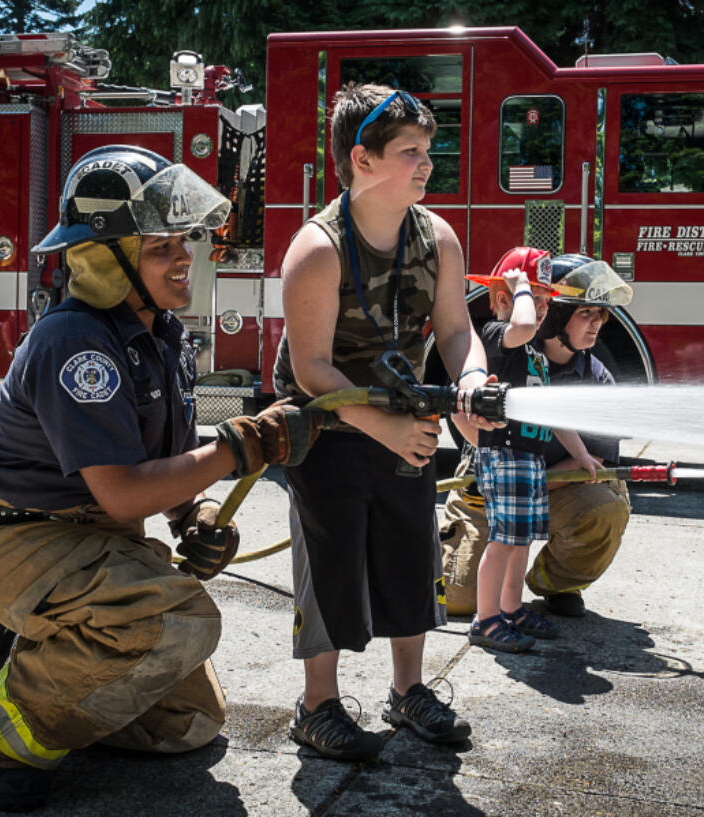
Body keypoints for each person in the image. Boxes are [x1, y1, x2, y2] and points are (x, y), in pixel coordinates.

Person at [0, 144, 324, 811]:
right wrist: (237, 450)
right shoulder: (73, 342)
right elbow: (121, 490)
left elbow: (167, 470)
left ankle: (34, 653)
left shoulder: (164, 335)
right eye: (160, 247)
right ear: (101, 258)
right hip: (17, 536)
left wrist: (198, 515)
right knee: (178, 624)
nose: (185, 257)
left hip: (91, 538)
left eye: (183, 241)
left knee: (190, 723)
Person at [274, 83, 497, 761]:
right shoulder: (316, 248)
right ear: (361, 160)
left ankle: (407, 692)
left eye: (428, 150)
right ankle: (318, 705)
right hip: (326, 421)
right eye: (410, 151)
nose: (426, 164)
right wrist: (384, 427)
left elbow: (458, 330)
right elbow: (312, 369)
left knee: (411, 548)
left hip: (403, 415)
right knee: (331, 553)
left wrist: (472, 378)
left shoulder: (438, 238)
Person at [442, 253, 634, 620]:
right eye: (585, 313)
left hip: (552, 484)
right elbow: (458, 405)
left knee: (603, 506)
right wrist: (496, 475)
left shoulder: (596, 378)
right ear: (555, 315)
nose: (598, 324)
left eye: (601, 314)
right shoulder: (504, 351)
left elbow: (598, 459)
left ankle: (555, 583)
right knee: (457, 601)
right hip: (495, 480)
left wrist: (534, 483)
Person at [464, 247, 601, 653]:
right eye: (534, 300)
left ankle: (510, 607)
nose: (540, 310)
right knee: (503, 539)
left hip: (529, 459)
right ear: (503, 299)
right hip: (503, 455)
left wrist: (579, 454)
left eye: (544, 302)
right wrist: (521, 285)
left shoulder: (534, 354)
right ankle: (485, 620)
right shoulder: (498, 336)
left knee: (521, 538)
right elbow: (522, 325)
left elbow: (551, 410)